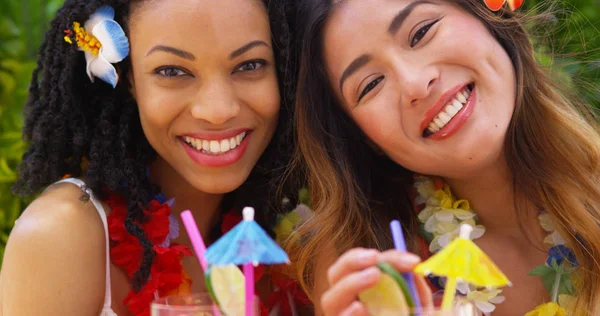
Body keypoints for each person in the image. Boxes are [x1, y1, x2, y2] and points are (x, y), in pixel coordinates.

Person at [291, 0, 600, 315]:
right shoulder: (367, 275)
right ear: (363, 138)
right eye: (371, 84)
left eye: (421, 32)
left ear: (487, 19)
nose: (415, 84)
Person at [0, 0, 305, 315]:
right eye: (172, 71)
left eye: (249, 65)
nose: (217, 110)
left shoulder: (302, 235)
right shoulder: (59, 235)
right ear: (129, 79)